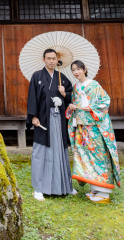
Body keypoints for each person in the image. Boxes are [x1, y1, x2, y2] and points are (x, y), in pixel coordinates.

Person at [66, 59, 121, 203]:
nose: (76, 72)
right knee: (86, 157)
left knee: (99, 157)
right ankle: (95, 188)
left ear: (84, 69)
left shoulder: (94, 85)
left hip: (95, 128)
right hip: (81, 128)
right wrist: (72, 107)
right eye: (73, 70)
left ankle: (104, 191)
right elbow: (75, 105)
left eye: (78, 69)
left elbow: (105, 102)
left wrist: (91, 108)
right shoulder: (75, 87)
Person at [26, 48, 74, 201]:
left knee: (59, 150)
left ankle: (64, 185)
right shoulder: (37, 76)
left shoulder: (62, 78)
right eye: (49, 58)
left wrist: (64, 94)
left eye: (54, 58)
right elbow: (32, 97)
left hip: (58, 119)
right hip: (43, 119)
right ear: (44, 60)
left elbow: (72, 97)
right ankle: (39, 188)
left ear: (57, 60)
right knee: (41, 152)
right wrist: (33, 116)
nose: (52, 61)